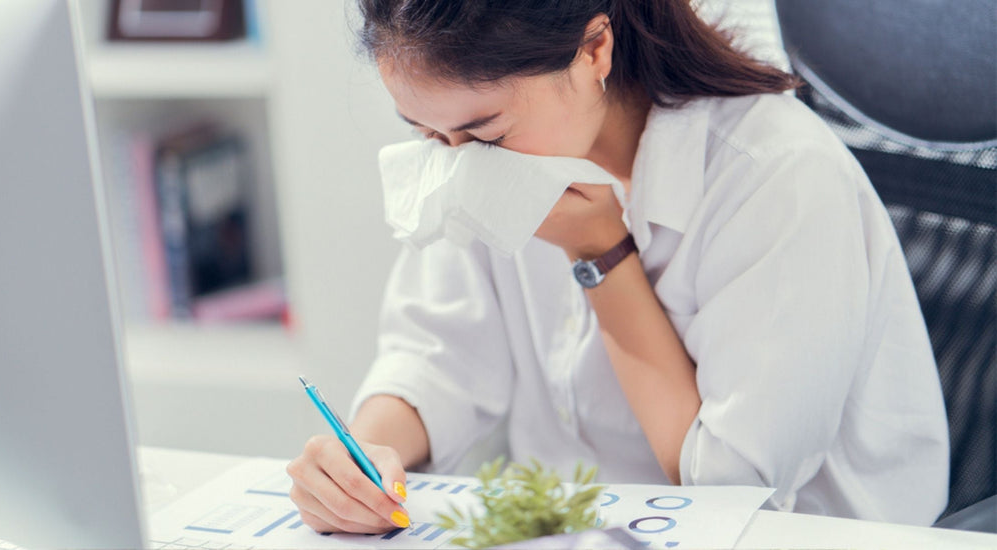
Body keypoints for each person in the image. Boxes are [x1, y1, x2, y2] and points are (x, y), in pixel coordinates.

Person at [285, 0, 949, 534]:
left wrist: (600, 253)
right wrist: (361, 460)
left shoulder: (777, 178)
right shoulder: (484, 152)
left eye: (485, 136)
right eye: (429, 134)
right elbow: (437, 357)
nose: (461, 163)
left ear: (594, 48)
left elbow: (728, 491)